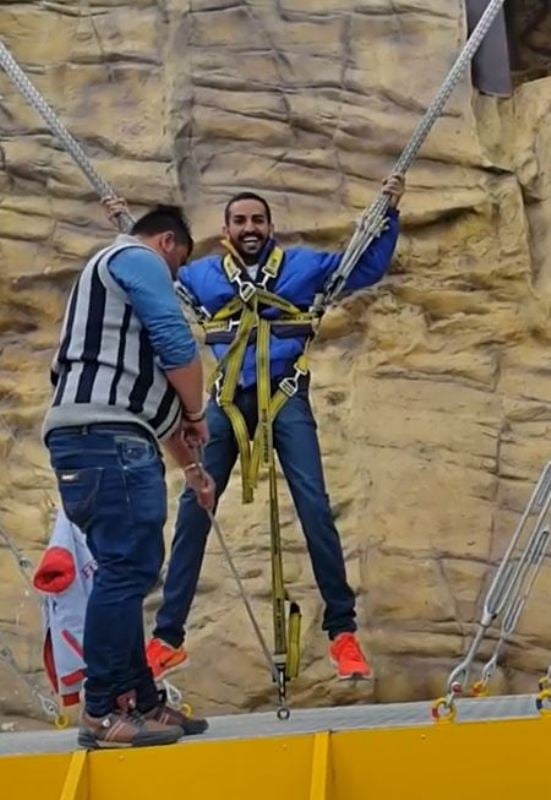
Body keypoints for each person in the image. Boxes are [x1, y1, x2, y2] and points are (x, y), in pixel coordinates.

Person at [106, 175, 405, 685]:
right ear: (226, 228)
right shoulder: (200, 277)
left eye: (257, 221)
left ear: (270, 227)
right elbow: (150, 269)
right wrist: (122, 226)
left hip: (285, 392)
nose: (249, 228)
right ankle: (167, 639)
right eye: (240, 221)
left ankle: (342, 633)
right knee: (194, 508)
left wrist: (389, 210)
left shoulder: (303, 267)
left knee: (314, 504)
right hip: (228, 399)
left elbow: (363, 266)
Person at [43, 205, 215, 749]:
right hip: (105, 438)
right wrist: (197, 410)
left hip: (105, 437)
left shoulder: (117, 331)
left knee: (132, 568)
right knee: (125, 569)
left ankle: (139, 700)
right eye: (178, 265)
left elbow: (153, 405)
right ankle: (101, 710)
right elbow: (176, 342)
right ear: (167, 243)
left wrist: (191, 467)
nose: (174, 279)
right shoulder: (134, 256)